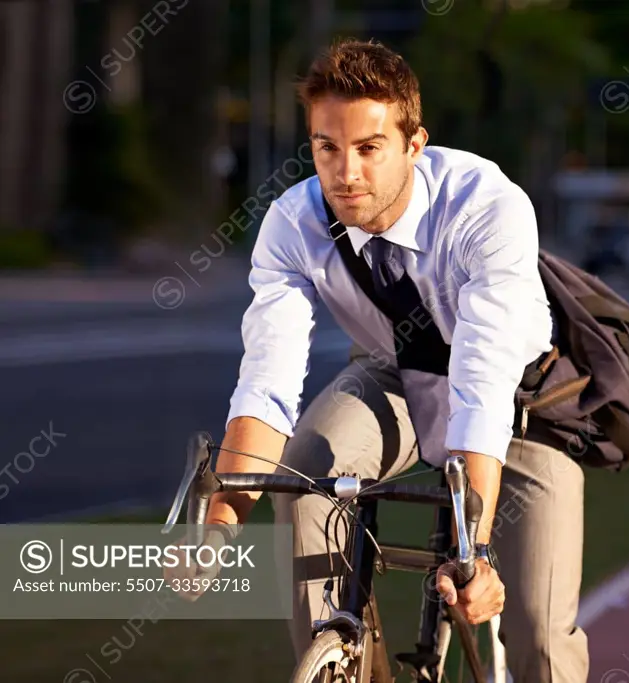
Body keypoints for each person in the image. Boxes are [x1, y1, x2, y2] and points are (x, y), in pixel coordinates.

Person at [194, 38, 589, 682]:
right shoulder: (293, 224)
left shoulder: (487, 208)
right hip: (396, 372)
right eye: (327, 147)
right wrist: (218, 527)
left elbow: (482, 383)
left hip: (518, 400)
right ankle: (342, 656)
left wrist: (475, 549)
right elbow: (267, 382)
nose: (346, 173)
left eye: (369, 149)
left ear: (414, 144)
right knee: (307, 471)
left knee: (540, 636)